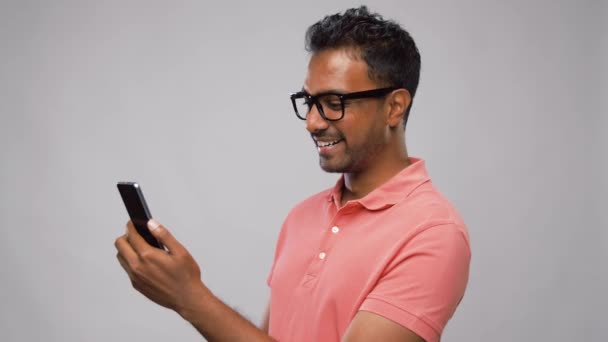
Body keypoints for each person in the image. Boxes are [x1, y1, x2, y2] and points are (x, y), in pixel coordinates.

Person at [115, 6, 470, 342]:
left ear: (394, 107)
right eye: (309, 102)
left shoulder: (434, 234)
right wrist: (186, 295)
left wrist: (189, 297)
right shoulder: (302, 217)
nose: (313, 123)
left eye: (334, 103)